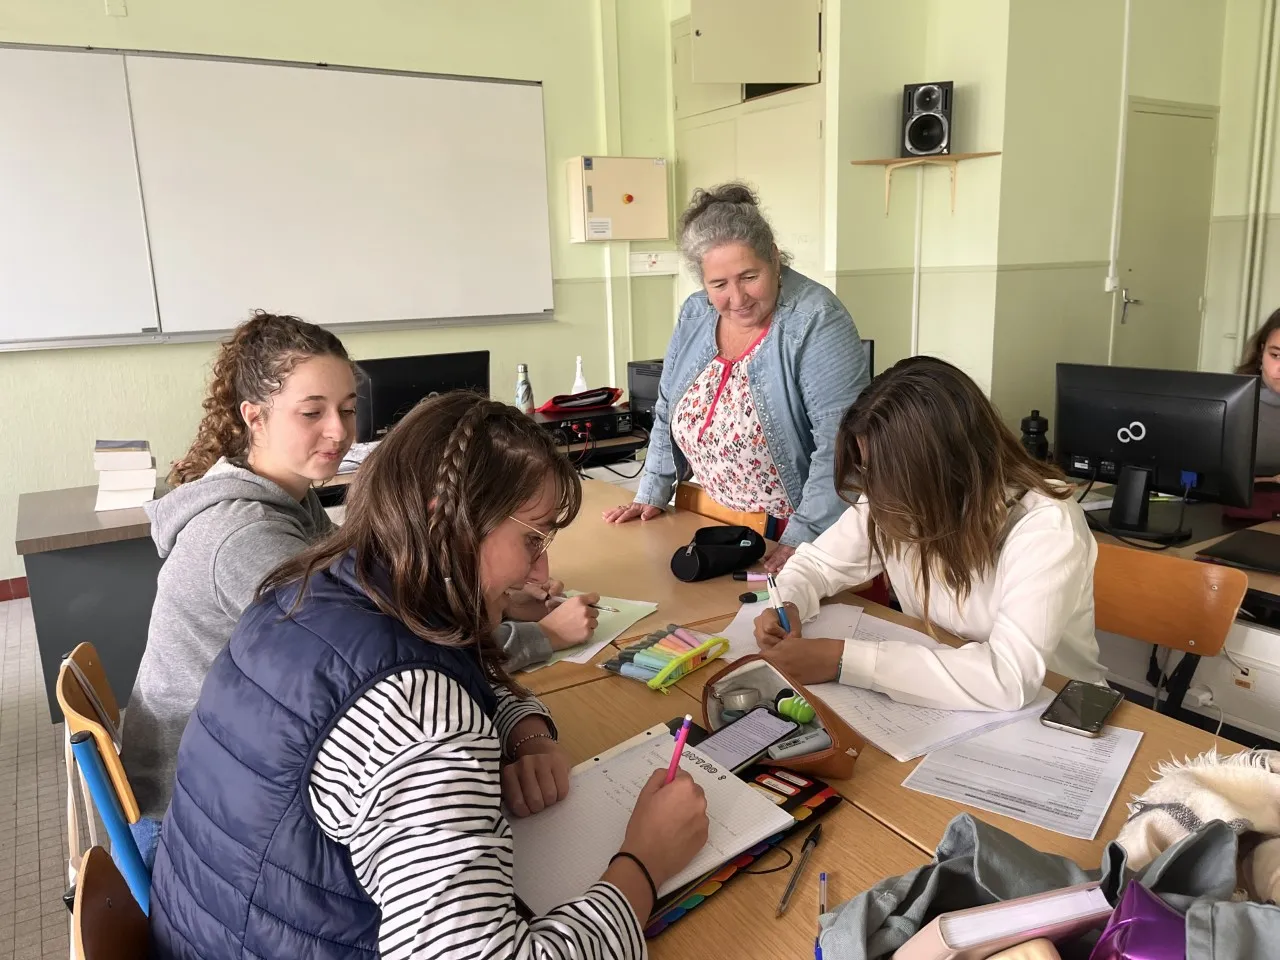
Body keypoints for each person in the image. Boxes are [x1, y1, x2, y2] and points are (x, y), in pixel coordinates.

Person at [147, 393, 710, 960]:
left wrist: (524, 729)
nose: (541, 571)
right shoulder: (416, 710)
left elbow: (457, 668)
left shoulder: (315, 586)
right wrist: (643, 862)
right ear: (451, 521)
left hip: (206, 933)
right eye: (532, 540)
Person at [122, 312, 595, 861]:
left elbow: (386, 609)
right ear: (255, 417)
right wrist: (544, 637)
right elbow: (386, 657)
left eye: (347, 409)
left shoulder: (293, 500)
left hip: (238, 775)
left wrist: (499, 599)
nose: (339, 431)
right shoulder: (246, 537)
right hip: (189, 815)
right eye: (312, 412)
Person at [754, 357, 1106, 713]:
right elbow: (816, 565)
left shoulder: (1046, 524)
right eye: (869, 470)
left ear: (947, 469)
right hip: (943, 699)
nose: (875, 491)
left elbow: (1008, 677)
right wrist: (788, 603)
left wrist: (843, 660)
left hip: (1058, 709)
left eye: (888, 476)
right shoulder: (891, 495)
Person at [603, 183, 870, 573]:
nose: (738, 298)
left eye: (749, 276)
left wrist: (801, 539)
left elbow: (841, 446)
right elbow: (666, 410)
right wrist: (652, 493)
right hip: (714, 521)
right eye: (719, 285)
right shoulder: (696, 313)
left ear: (774, 258)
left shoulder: (816, 318)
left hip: (800, 529)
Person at [1236, 307, 1280, 481]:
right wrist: (1269, 480)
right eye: (1276, 355)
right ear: (1262, 353)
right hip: (1243, 496)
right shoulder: (1234, 400)